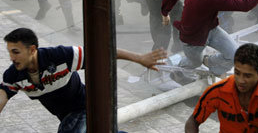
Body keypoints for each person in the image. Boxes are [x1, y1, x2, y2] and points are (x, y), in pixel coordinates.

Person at [0, 27, 167, 133]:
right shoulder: (13, 76)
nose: (12, 58)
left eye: (16, 52)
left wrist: (139, 58)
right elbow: (2, 96)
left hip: (87, 107)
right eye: (10, 52)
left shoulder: (61, 56)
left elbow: (102, 51)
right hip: (66, 116)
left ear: (32, 50)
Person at [185, 43, 258, 133]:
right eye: (237, 73)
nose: (240, 80)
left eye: (248, 75)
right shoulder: (216, 92)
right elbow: (193, 121)